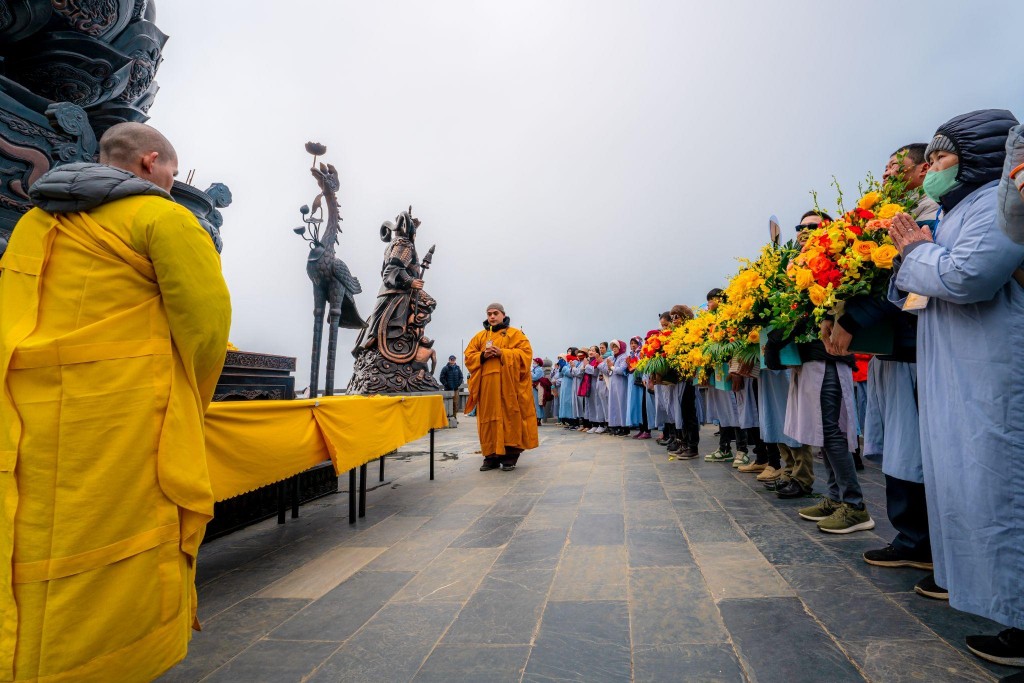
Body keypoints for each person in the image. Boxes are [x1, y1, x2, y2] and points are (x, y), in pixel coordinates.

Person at [0, 122, 232, 680]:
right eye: (173, 172)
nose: (175, 183)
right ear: (151, 163)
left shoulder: (35, 221)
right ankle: (112, 662)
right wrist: (189, 400)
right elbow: (205, 325)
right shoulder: (163, 217)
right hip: (124, 416)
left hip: (27, 414)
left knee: (30, 536)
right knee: (122, 543)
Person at [887, 109, 1024, 666]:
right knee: (965, 485)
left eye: (941, 159)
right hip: (955, 375)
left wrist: (918, 251)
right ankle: (993, 600)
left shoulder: (997, 204)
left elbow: (967, 276)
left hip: (990, 375)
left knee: (1000, 488)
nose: (932, 170)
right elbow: (919, 284)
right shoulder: (954, 211)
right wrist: (918, 253)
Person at [826, 143, 937, 578]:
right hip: (892, 350)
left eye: (897, 167)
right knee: (900, 448)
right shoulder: (889, 216)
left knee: (917, 448)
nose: (888, 174)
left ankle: (923, 541)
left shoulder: (929, 213)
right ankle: (910, 537)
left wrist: (856, 317)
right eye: (885, 168)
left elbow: (908, 284)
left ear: (924, 167)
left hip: (916, 346)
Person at [464, 303, 539, 471]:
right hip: (488, 389)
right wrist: (482, 355)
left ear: (503, 315)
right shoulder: (480, 337)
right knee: (488, 421)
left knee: (510, 418)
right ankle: (490, 456)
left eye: (495, 313)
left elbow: (526, 356)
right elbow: (469, 357)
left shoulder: (515, 334)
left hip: (509, 388)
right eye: (489, 313)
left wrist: (503, 353)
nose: (492, 316)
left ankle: (510, 456)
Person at [606, 340, 630, 436]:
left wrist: (611, 367)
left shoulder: (624, 357)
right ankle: (617, 426)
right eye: (613, 347)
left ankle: (625, 427)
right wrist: (609, 367)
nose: (614, 349)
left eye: (616, 347)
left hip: (621, 385)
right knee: (615, 405)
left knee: (622, 405)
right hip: (614, 384)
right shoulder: (614, 358)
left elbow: (621, 370)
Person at [531, 357, 545, 425]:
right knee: (536, 403)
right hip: (535, 387)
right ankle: (538, 418)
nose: (533, 363)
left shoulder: (539, 370)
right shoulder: (535, 369)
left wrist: (530, 373)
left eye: (535, 362)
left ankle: (538, 418)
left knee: (537, 403)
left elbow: (535, 377)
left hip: (537, 387)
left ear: (538, 363)